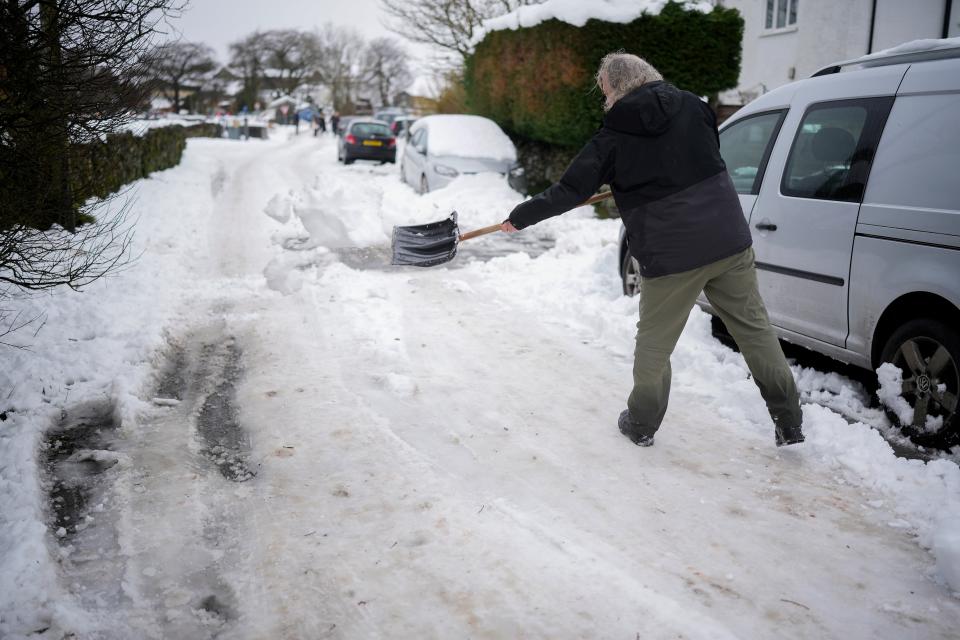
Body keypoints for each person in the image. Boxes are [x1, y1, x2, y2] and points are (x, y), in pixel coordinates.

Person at [502, 52, 804, 448]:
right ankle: (789, 420)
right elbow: (700, 156)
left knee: (654, 346)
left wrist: (521, 216)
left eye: (605, 90)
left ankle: (642, 423)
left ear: (618, 88)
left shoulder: (610, 139)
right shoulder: (696, 107)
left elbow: (570, 191)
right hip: (728, 239)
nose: (604, 99)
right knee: (755, 332)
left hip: (671, 254)